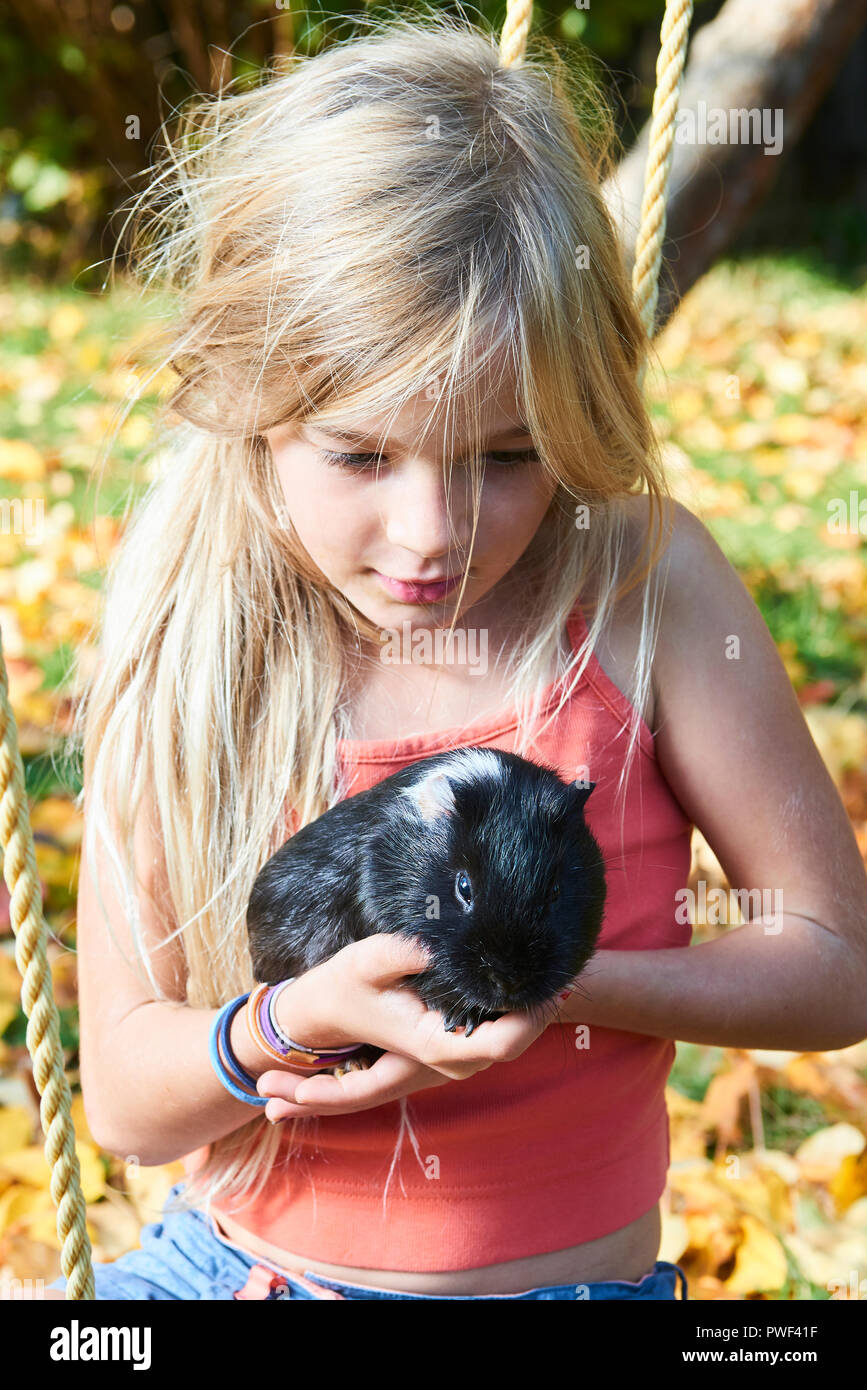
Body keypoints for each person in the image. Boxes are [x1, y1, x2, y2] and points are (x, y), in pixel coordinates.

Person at [33, 13, 867, 1301]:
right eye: (361, 455)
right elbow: (133, 1110)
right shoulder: (194, 635)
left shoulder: (639, 585)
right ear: (252, 413)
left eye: (507, 454)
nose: (431, 536)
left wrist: (559, 977)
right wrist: (291, 1023)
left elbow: (834, 960)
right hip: (237, 1276)